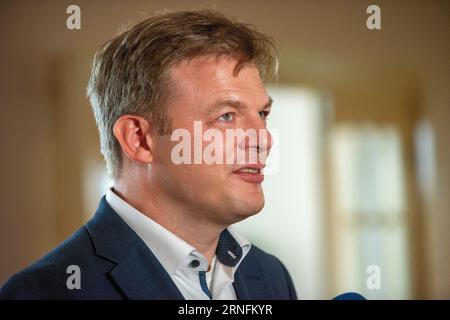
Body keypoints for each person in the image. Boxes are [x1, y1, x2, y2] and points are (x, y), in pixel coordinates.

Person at [0, 10, 297, 300]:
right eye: (227, 116)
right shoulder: (46, 292)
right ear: (139, 140)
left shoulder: (271, 275)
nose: (264, 139)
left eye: (262, 113)